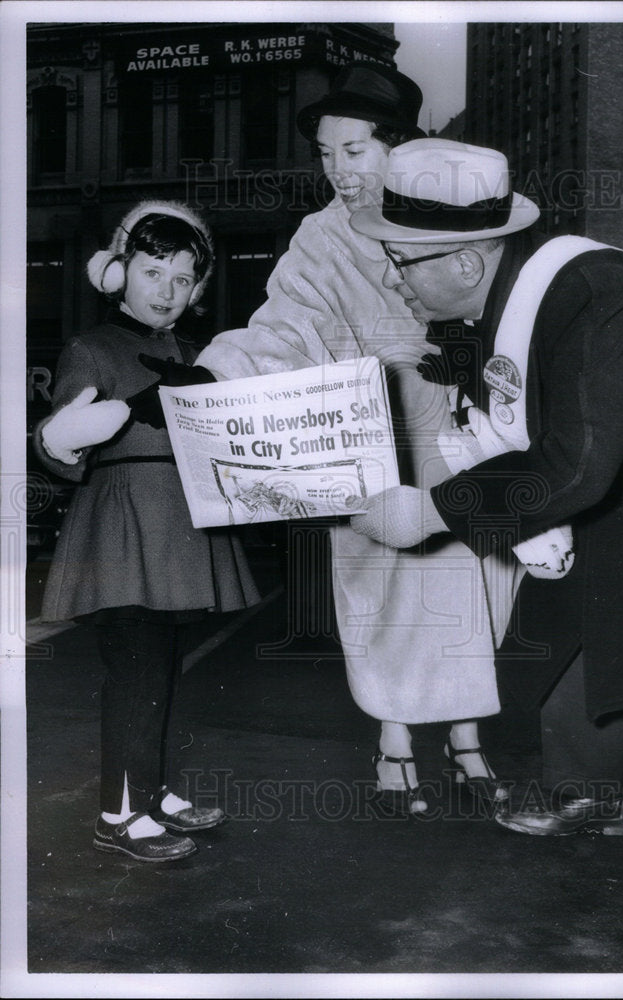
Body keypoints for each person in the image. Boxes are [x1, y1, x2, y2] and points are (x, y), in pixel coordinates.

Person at [347, 138, 623, 904]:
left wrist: (435, 510)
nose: (395, 278)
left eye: (403, 261)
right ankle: (598, 793)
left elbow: (576, 464)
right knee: (559, 595)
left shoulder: (591, 285)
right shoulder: (497, 304)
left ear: (467, 262)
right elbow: (529, 435)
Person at [131, 65, 532, 816]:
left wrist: (476, 362)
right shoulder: (320, 240)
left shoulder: (460, 202)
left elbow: (511, 301)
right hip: (373, 438)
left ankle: (468, 736)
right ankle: (395, 744)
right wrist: (215, 374)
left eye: (354, 152)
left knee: (472, 589)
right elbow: (286, 323)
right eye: (326, 153)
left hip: (464, 433)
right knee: (388, 593)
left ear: (398, 146)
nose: (338, 171)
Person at [35, 201, 260, 862]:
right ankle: (116, 813)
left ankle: (153, 794)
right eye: (153, 270)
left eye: (183, 279)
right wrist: (107, 418)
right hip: (121, 530)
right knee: (134, 671)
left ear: (197, 290)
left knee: (160, 671)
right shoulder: (91, 347)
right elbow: (54, 447)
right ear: (118, 272)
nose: (167, 289)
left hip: (180, 529)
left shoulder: (195, 353)